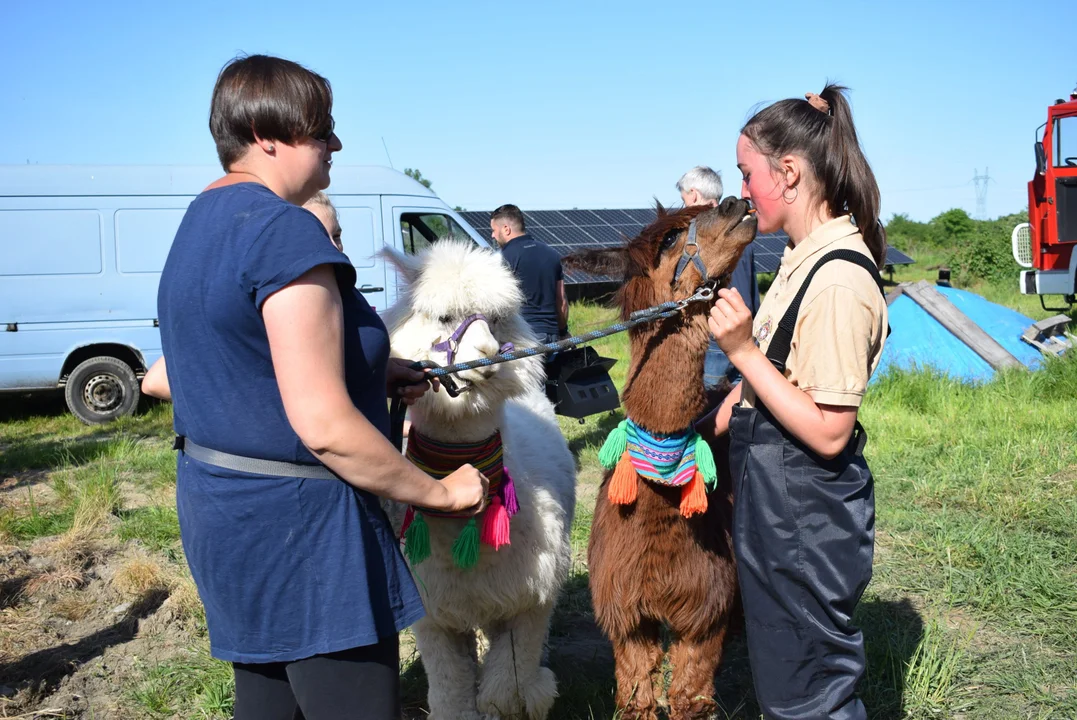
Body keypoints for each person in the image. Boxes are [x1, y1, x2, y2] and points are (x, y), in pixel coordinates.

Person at [151, 54, 488, 720]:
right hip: (305, 537)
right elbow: (324, 426)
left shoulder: (202, 221)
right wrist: (442, 493)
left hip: (226, 513)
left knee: (271, 703)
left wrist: (372, 368)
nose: (335, 144)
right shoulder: (283, 233)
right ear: (267, 136)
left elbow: (237, 356)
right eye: (321, 129)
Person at [698, 85, 889, 720]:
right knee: (786, 682)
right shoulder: (798, 259)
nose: (743, 190)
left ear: (789, 172)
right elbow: (790, 374)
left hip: (803, 519)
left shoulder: (836, 279)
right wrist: (727, 409)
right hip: (781, 509)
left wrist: (742, 352)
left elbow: (831, 430)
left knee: (811, 696)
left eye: (747, 174)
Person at [677, 166, 759, 390]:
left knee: (713, 408)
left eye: (684, 199)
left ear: (693, 194)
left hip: (720, 337)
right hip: (743, 333)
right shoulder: (739, 226)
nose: (684, 207)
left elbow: (738, 294)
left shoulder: (713, 238)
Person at [490, 204, 569, 343]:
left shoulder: (501, 258)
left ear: (506, 229)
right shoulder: (552, 254)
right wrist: (563, 332)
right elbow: (561, 301)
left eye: (494, 230)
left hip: (522, 338)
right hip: (552, 335)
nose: (493, 235)